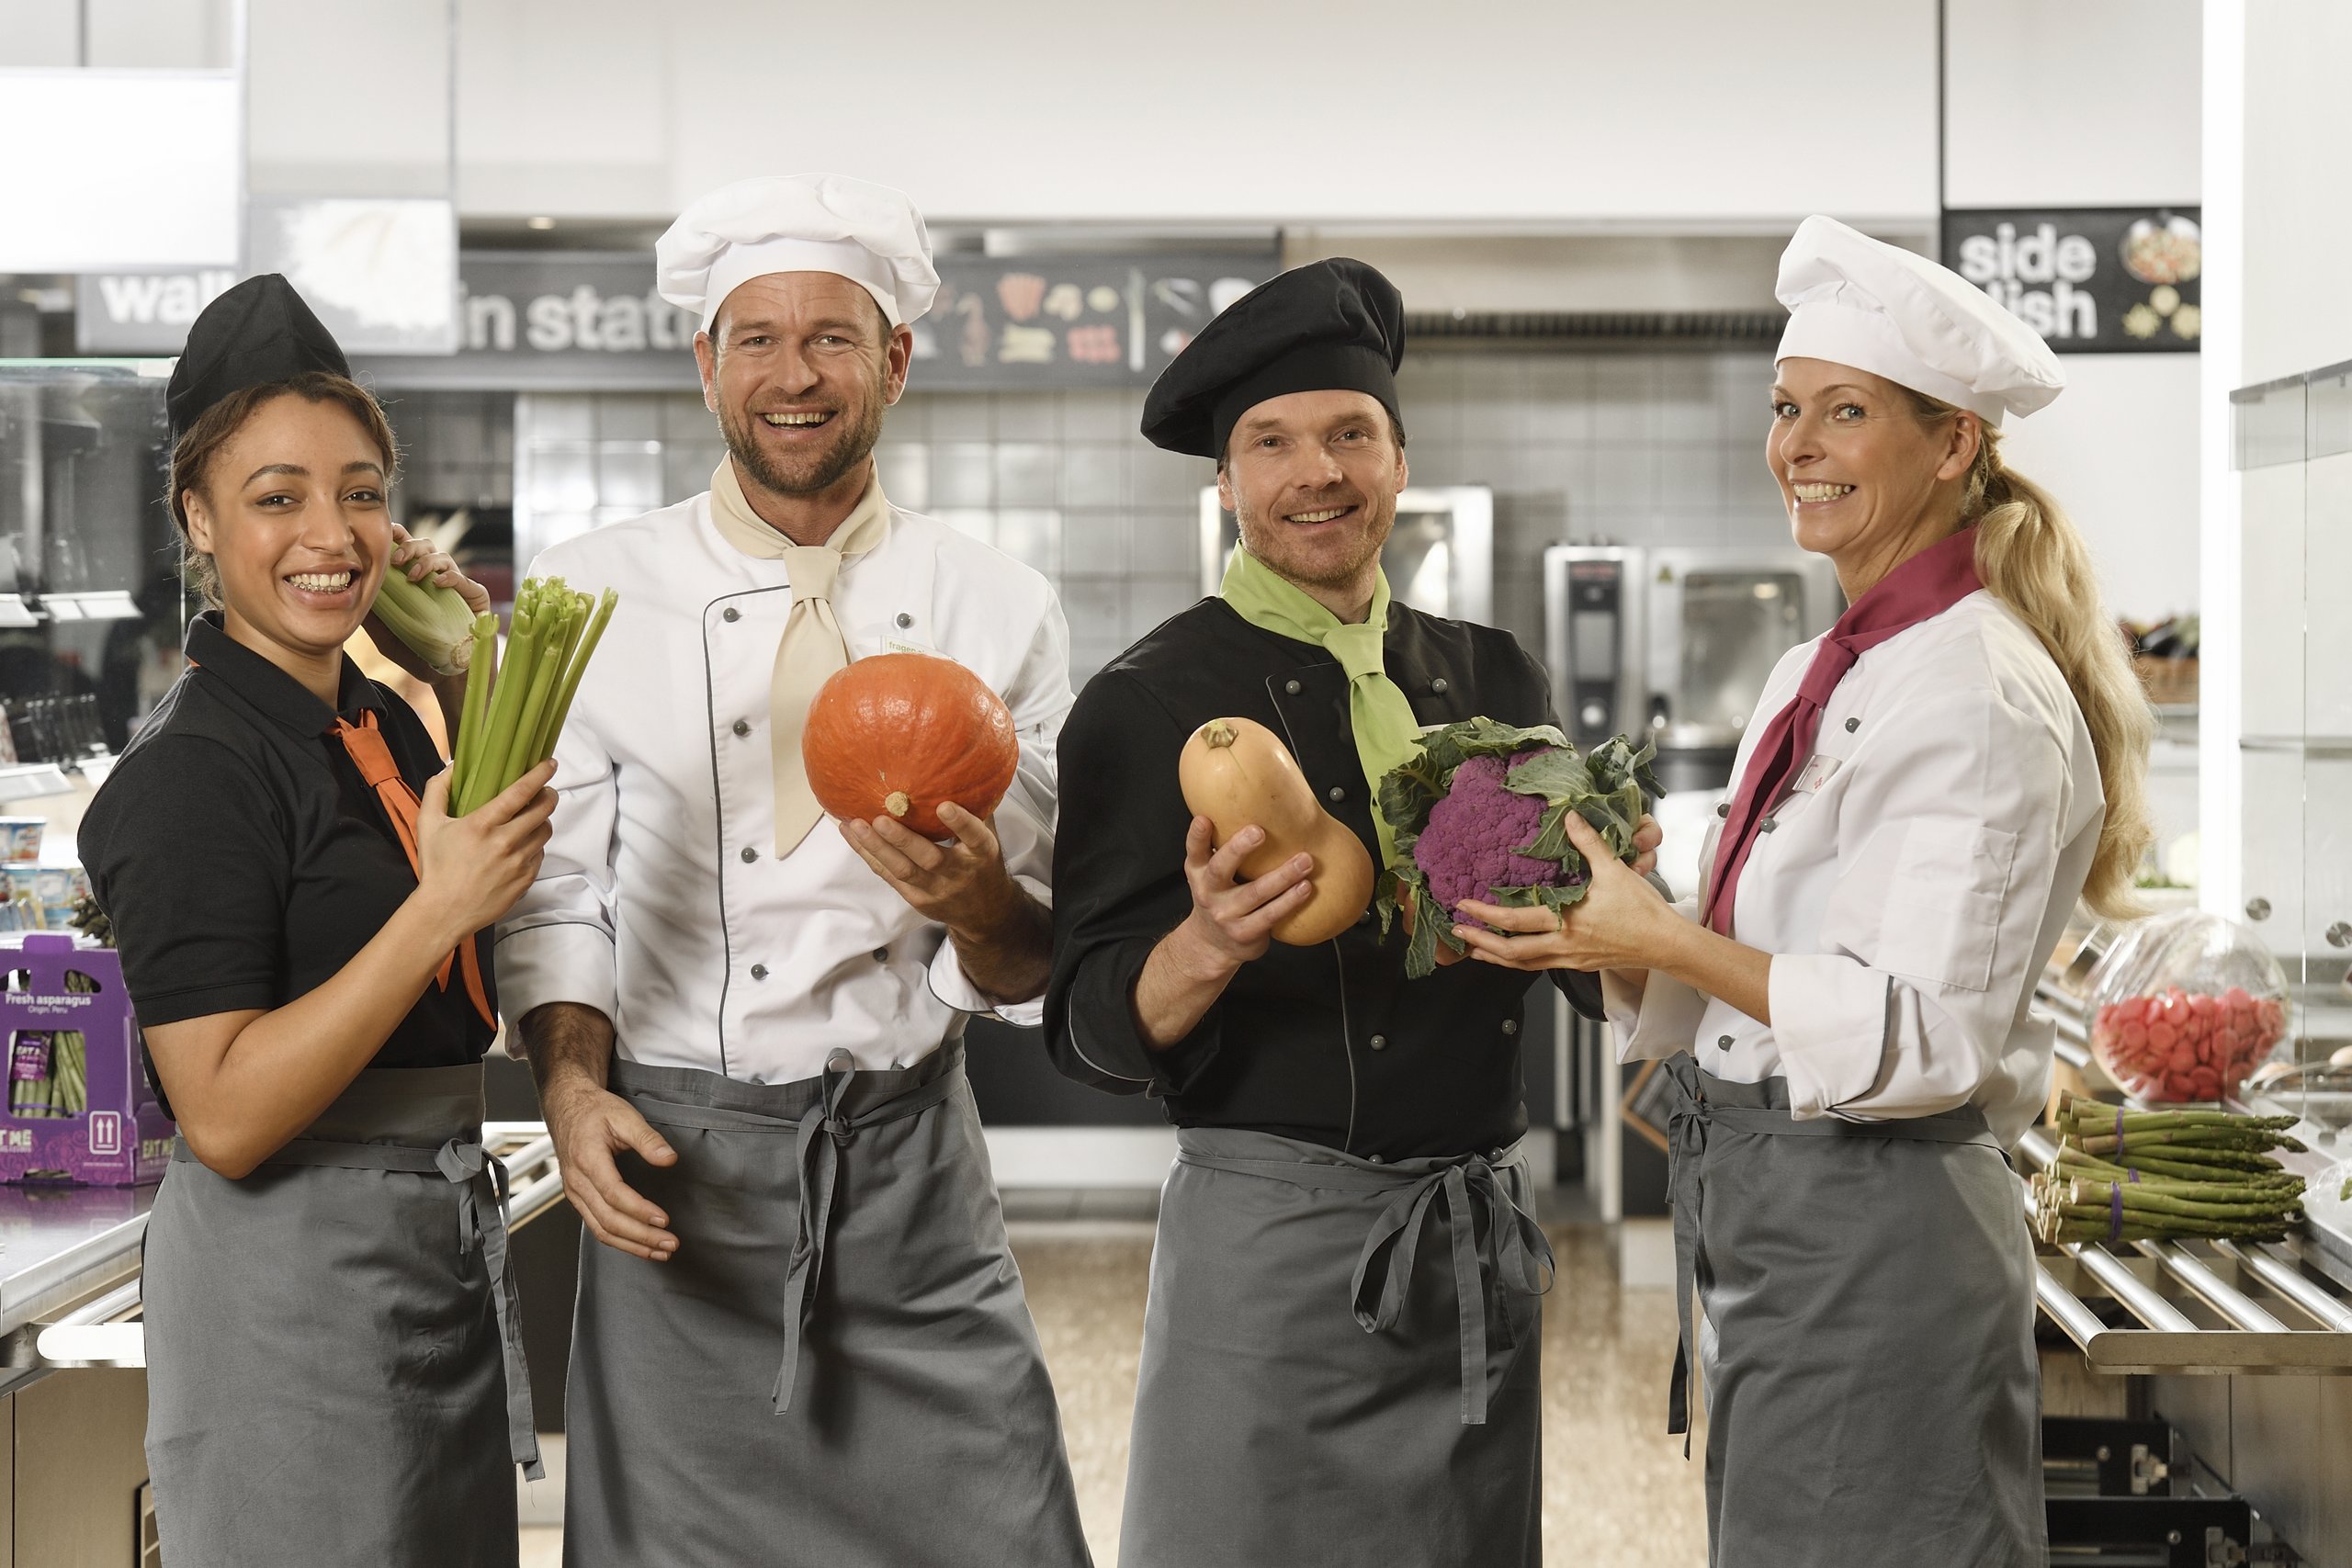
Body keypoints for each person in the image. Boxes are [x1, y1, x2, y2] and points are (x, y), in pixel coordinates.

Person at [1451, 215, 2154, 1566]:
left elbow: (1923, 1039)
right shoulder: (1822, 666)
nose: (1799, 446)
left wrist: (1664, 935)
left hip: (1878, 1226)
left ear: (1953, 443)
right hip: (1781, 1211)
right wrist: (1607, 936)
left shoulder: (1980, 690)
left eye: (1846, 412)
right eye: (1787, 410)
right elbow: (1744, 968)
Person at [495, 174, 1090, 1567]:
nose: (794, 375)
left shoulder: (999, 606)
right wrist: (571, 1090)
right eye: (755, 338)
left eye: (834, 337)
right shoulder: (591, 594)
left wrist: (979, 901)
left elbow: (1031, 949)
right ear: (706, 367)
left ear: (893, 361)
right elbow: (556, 892)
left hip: (909, 1175)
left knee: (1005, 1535)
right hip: (677, 1189)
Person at [1046, 258, 1658, 1568]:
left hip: (1467, 1245)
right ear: (1226, 481)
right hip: (1266, 1260)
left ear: (1397, 457)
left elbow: (1576, 968)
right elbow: (1090, 1027)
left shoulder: (1493, 673)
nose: (1314, 472)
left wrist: (1629, 912)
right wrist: (1205, 944)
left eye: (1348, 434)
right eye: (1271, 442)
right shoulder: (1150, 701)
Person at [79, 274, 555, 1566]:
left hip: (431, 1252)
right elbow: (224, 1113)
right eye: (275, 496)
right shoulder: (192, 773)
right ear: (197, 517)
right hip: (288, 1294)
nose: (329, 533)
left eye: (359, 492)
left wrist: (467, 667)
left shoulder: (380, 722)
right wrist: (436, 908)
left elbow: (479, 950)